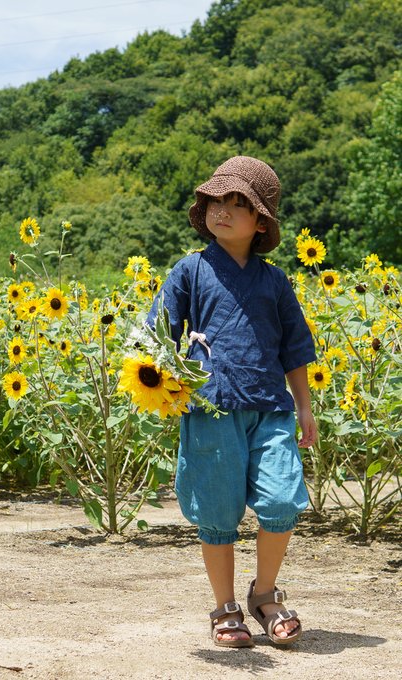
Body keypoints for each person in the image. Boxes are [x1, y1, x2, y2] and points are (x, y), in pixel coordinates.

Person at [146, 156, 317, 648]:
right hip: (211, 409)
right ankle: (225, 606)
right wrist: (165, 379)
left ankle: (264, 593)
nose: (222, 211)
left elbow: (295, 349)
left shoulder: (275, 281)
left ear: (261, 220)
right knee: (217, 511)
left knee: (283, 499)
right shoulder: (190, 271)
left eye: (237, 204)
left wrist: (304, 406)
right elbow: (158, 334)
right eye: (216, 200)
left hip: (271, 407)